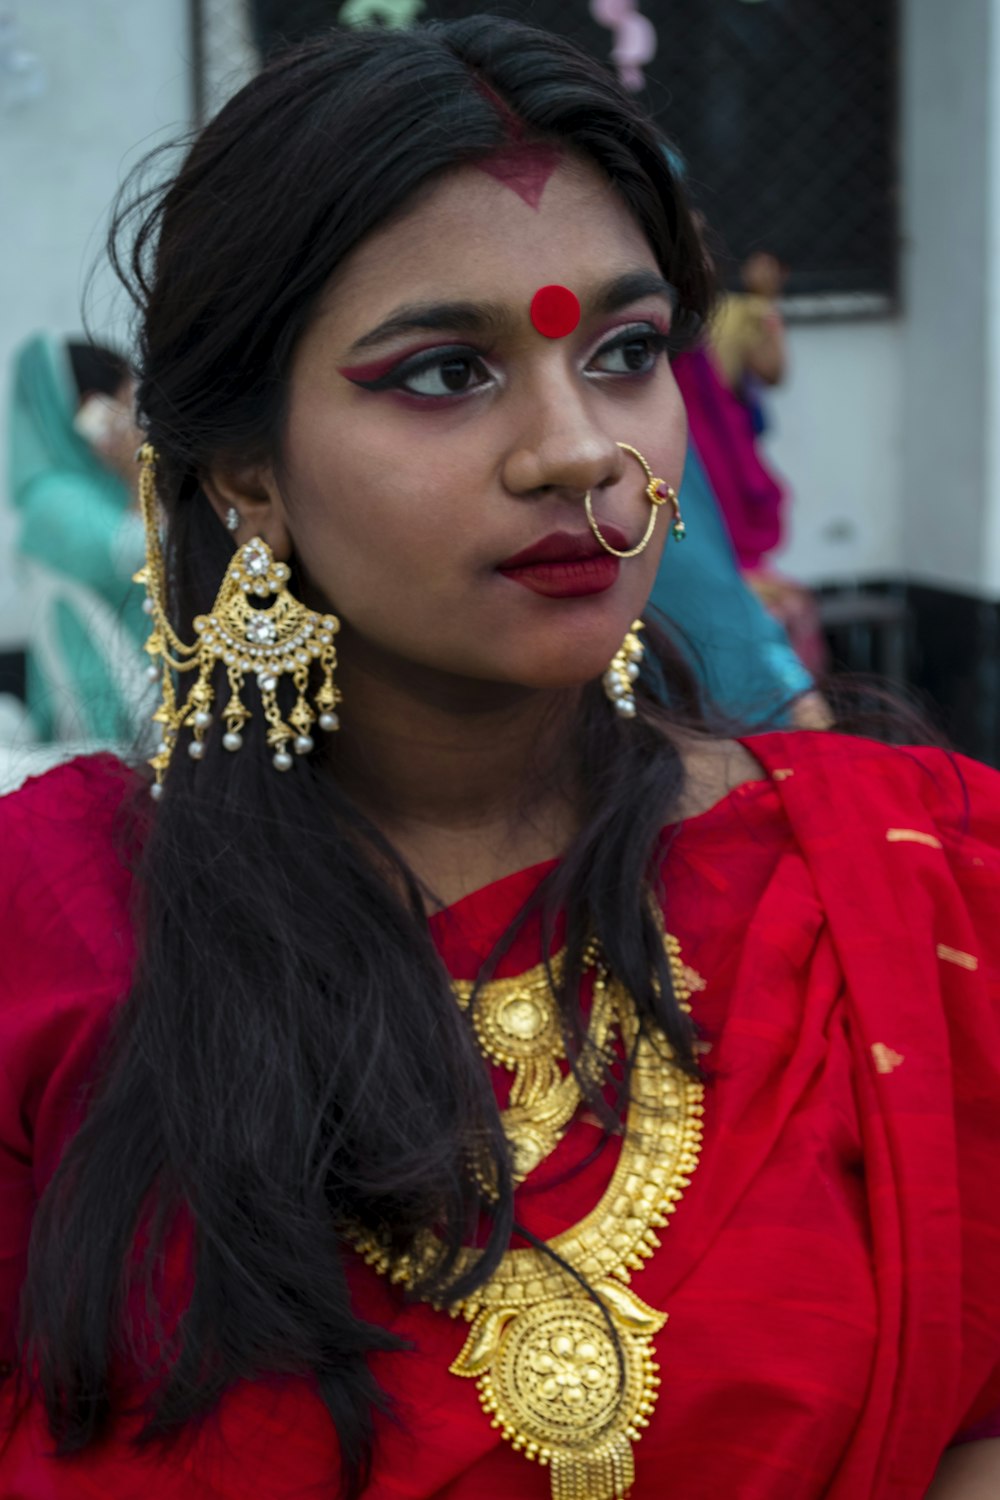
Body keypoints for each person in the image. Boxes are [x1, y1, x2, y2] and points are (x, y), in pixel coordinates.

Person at [0, 19, 998, 1500]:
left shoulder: (920, 880)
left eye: (626, 351)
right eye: (446, 371)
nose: (578, 448)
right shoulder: (49, 924)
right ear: (248, 474)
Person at [7, 333, 147, 743]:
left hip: (142, 677)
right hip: (104, 698)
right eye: (124, 401)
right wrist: (139, 473)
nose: (132, 417)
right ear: (89, 407)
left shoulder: (100, 484)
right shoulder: (52, 499)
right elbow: (137, 552)